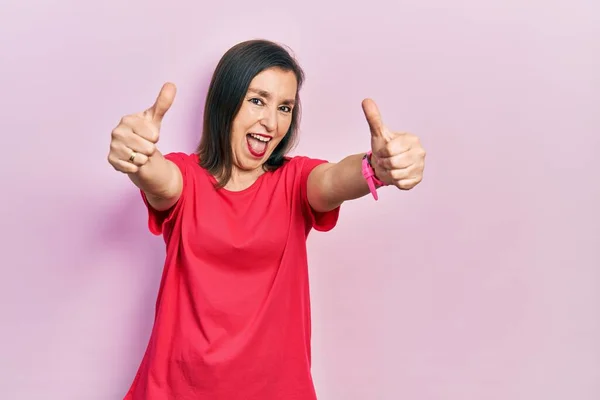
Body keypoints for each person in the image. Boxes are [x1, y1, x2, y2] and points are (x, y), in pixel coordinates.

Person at [107, 39, 425, 400]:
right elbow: (159, 178)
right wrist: (137, 156)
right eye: (257, 100)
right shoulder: (185, 178)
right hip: (178, 389)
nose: (272, 123)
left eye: (285, 107)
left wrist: (377, 167)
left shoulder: (295, 182)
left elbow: (335, 178)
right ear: (225, 101)